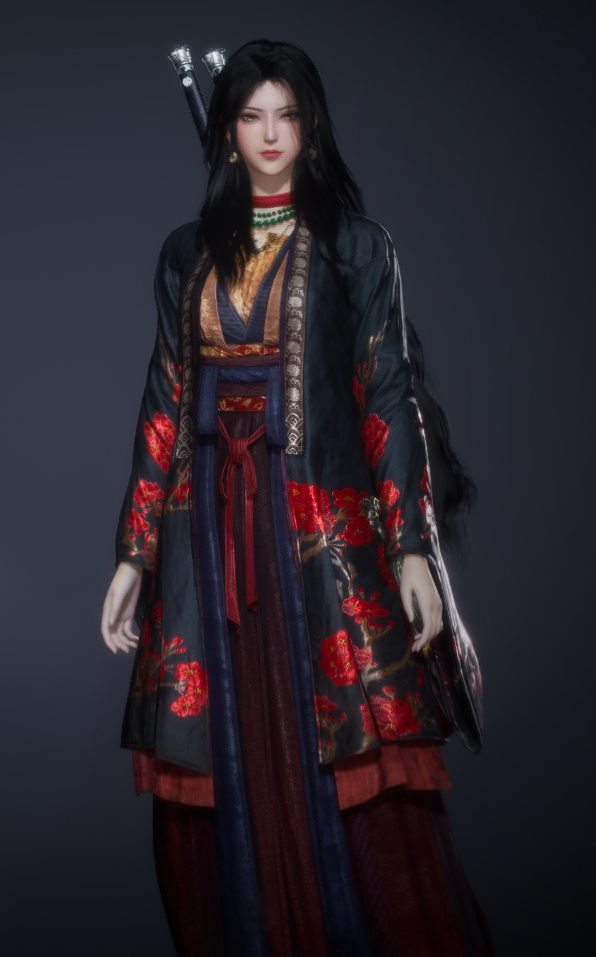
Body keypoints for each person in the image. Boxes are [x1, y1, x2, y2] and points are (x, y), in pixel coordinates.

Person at [101, 39, 493, 957]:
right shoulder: (185, 253)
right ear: (228, 131)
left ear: (310, 126)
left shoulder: (357, 247)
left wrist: (411, 549)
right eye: (250, 116)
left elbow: (387, 396)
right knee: (224, 759)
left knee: (353, 766)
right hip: (208, 541)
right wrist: (133, 555)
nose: (269, 135)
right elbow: (163, 404)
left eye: (286, 115)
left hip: (317, 535)